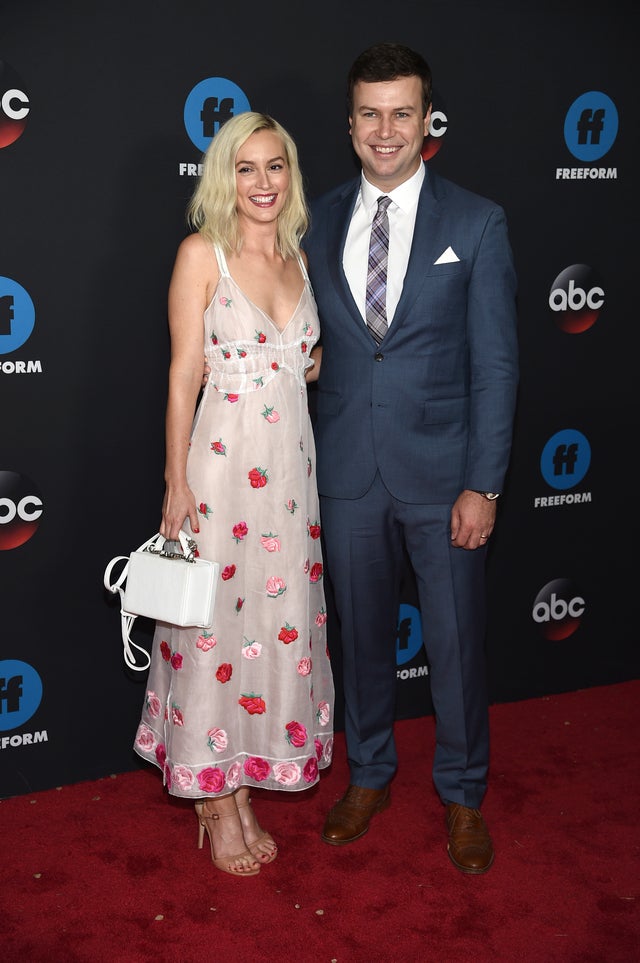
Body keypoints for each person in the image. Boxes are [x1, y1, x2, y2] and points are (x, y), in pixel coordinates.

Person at [303, 42, 519, 874]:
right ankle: (369, 774)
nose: (384, 130)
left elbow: (497, 364)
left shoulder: (477, 220)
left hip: (445, 477)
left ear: (427, 120)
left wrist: (484, 482)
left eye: (402, 113)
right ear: (349, 123)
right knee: (359, 638)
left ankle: (463, 793)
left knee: (458, 642)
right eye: (369, 113)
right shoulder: (313, 219)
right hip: (348, 469)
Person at [133, 112, 334, 878]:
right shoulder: (201, 254)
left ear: (291, 175)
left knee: (275, 626)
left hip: (289, 480)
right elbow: (185, 372)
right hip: (220, 474)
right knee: (213, 631)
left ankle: (242, 780)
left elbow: (304, 363)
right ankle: (215, 803)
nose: (262, 183)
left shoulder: (297, 258)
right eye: (245, 168)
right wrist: (175, 480)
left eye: (274, 166)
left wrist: (291, 366)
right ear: (225, 176)